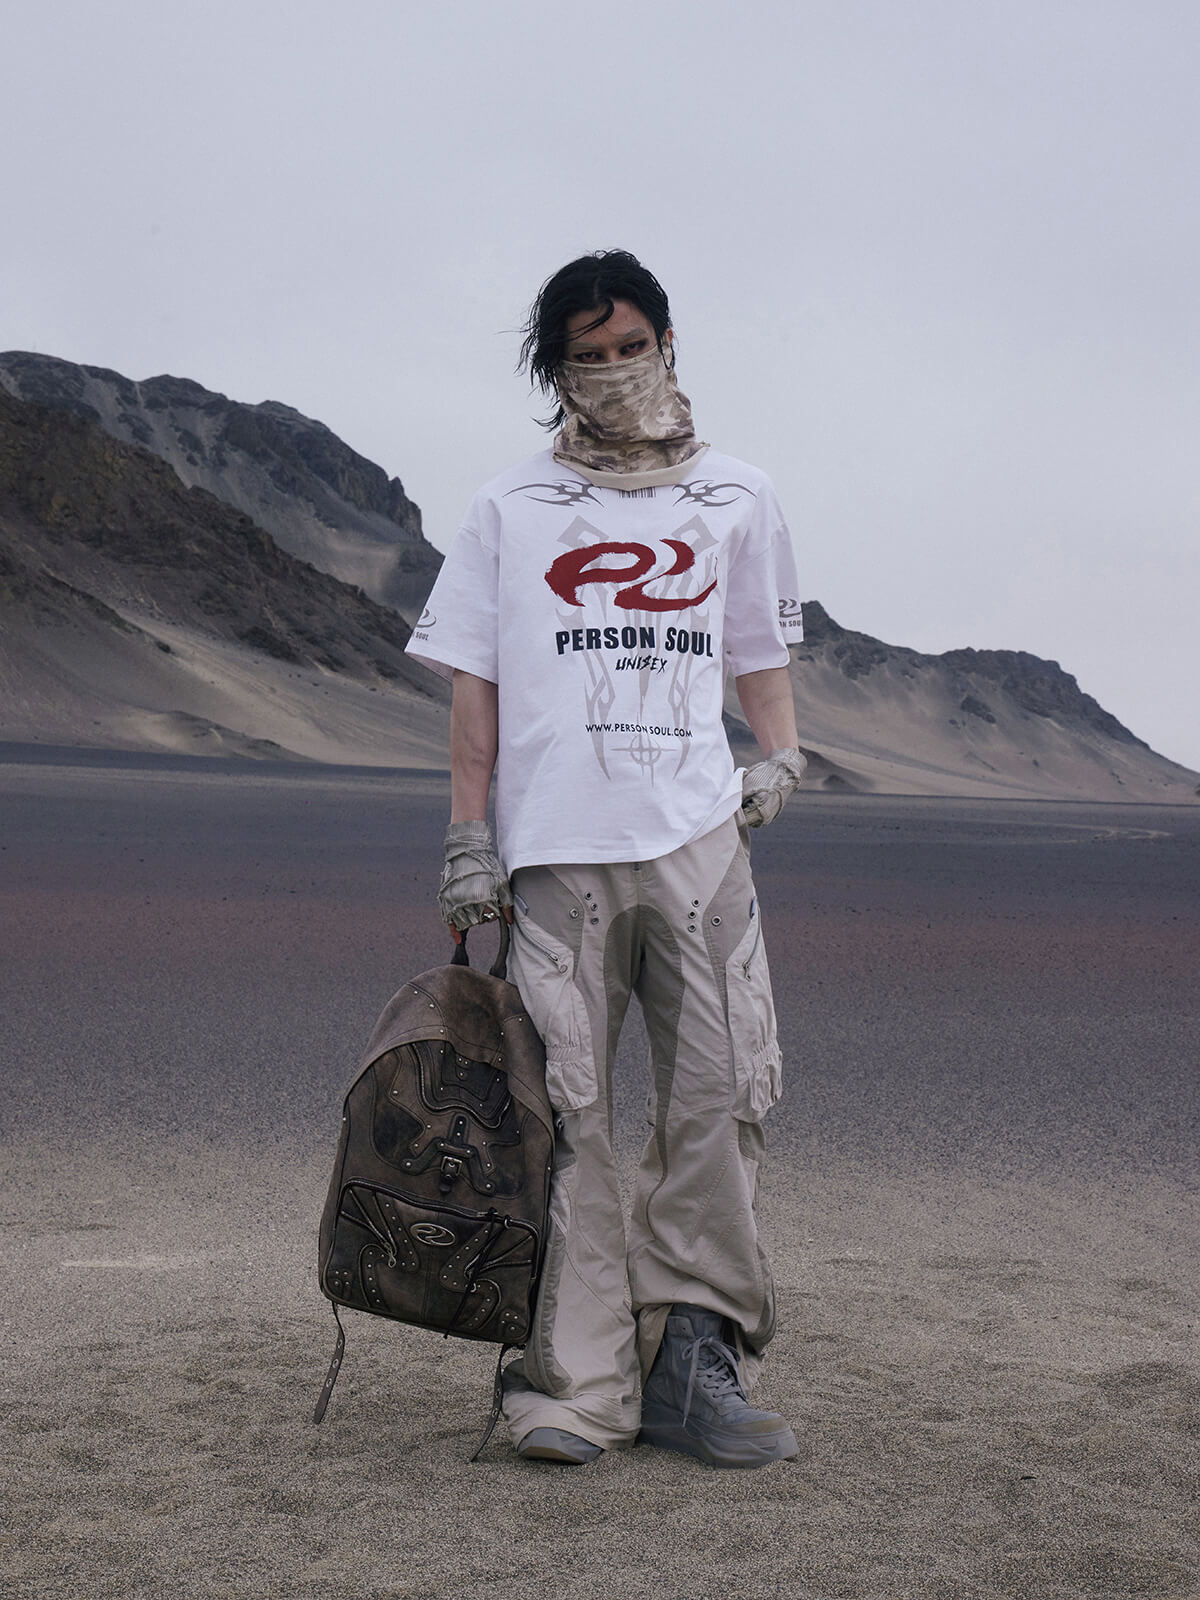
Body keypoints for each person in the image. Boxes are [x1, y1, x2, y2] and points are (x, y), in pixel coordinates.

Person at [406, 250, 806, 1468]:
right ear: (557, 370)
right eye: (590, 354)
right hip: (558, 857)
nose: (617, 369)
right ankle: (575, 1383)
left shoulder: (740, 495)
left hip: (699, 846)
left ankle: (692, 1363)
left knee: (718, 1101)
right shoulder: (509, 508)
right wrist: (468, 835)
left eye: (634, 345)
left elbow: (757, 651)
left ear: (670, 343)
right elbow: (475, 689)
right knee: (567, 1115)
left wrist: (783, 755)